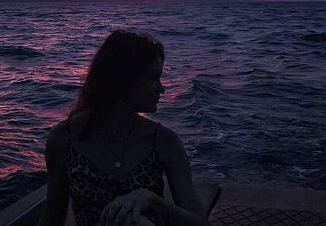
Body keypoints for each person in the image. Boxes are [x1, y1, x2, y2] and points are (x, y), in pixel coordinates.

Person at [38, 30, 209, 226]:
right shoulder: (64, 139)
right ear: (124, 80)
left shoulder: (163, 142)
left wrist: (153, 201)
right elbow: (52, 218)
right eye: (153, 78)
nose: (162, 88)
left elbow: (200, 223)